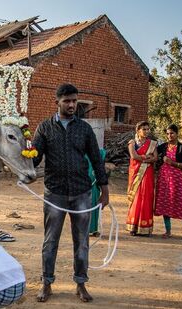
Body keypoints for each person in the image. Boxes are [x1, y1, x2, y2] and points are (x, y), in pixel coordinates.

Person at [31, 83, 109, 303]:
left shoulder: (84, 129)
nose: (72, 104)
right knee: (50, 240)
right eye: (67, 101)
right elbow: (35, 158)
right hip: (54, 193)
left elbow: (96, 159)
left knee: (81, 241)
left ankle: (81, 283)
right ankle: (46, 282)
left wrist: (104, 190)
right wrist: (23, 154)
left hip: (81, 192)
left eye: (75, 100)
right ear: (57, 102)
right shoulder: (44, 128)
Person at [155, 124, 182, 241]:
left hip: (177, 180)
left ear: (177, 134)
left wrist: (172, 163)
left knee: (181, 204)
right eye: (167, 133)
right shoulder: (163, 147)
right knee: (165, 204)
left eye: (172, 133)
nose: (169, 136)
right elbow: (153, 154)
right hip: (164, 180)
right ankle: (168, 231)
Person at [126, 121, 157, 236]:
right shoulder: (132, 143)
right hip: (136, 174)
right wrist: (145, 158)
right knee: (136, 198)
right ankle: (133, 227)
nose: (146, 131)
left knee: (146, 197)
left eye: (148, 129)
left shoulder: (152, 144)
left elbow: (155, 158)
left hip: (147, 174)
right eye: (144, 129)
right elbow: (134, 156)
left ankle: (145, 227)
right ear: (138, 130)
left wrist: (142, 158)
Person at [88, 148, 107, 236]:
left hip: (94, 185)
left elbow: (101, 169)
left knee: (95, 203)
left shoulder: (98, 153)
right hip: (80, 185)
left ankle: (94, 228)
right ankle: (84, 229)